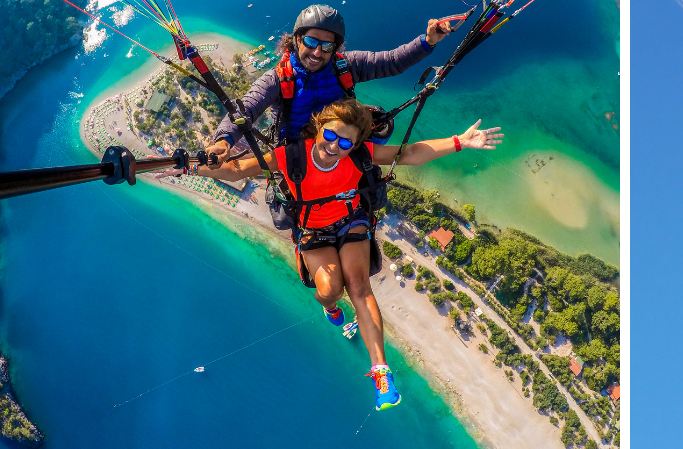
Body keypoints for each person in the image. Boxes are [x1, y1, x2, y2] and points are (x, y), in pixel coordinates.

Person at [196, 99, 503, 410]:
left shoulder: (359, 156)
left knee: (358, 286)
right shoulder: (290, 156)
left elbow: (408, 153)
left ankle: (381, 373)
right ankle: (330, 308)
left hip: (350, 220)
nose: (335, 146)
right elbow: (236, 171)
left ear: (356, 143)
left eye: (346, 142)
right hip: (314, 231)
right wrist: (188, 166)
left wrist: (460, 142)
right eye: (330, 135)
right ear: (318, 128)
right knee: (329, 290)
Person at [205, 4, 458, 156]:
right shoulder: (278, 79)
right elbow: (246, 108)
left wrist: (427, 42)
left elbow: (391, 61)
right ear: (296, 40)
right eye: (312, 42)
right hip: (300, 153)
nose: (317, 52)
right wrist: (223, 141)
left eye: (326, 46)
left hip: (341, 146)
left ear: (335, 47)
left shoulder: (345, 66)